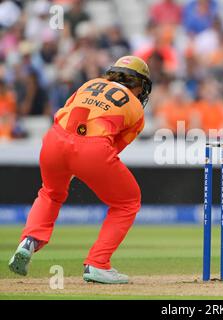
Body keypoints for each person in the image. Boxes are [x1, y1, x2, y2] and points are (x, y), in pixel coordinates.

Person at [8, 56, 152, 284]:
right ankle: (98, 263)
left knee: (50, 193)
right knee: (128, 201)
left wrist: (69, 157)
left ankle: (29, 241)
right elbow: (113, 148)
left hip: (54, 139)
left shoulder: (89, 84)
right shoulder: (136, 108)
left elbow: (64, 112)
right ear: (140, 85)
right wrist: (81, 162)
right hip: (92, 149)